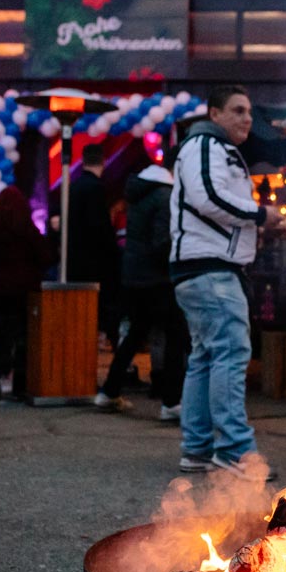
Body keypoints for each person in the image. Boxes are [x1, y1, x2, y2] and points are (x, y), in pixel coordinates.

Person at [169, 85, 281, 476]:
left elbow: (208, 203)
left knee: (205, 356)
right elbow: (210, 198)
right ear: (214, 113)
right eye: (237, 110)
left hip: (203, 267)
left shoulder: (209, 147)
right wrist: (261, 214)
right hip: (210, 268)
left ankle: (197, 447)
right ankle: (235, 450)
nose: (247, 117)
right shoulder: (205, 146)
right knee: (230, 354)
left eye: (249, 111)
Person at [95, 161, 188, 420]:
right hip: (157, 279)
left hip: (134, 276)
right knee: (176, 335)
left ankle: (110, 390)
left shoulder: (139, 193)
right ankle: (171, 401)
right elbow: (162, 241)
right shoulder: (164, 196)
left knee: (136, 333)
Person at [0, 186, 54, 401]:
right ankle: (20, 384)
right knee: (22, 339)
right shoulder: (25, 227)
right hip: (22, 291)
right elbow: (44, 255)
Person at [67, 142, 121, 350]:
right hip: (94, 265)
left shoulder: (74, 186)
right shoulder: (96, 189)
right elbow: (100, 229)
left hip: (75, 262)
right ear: (103, 162)